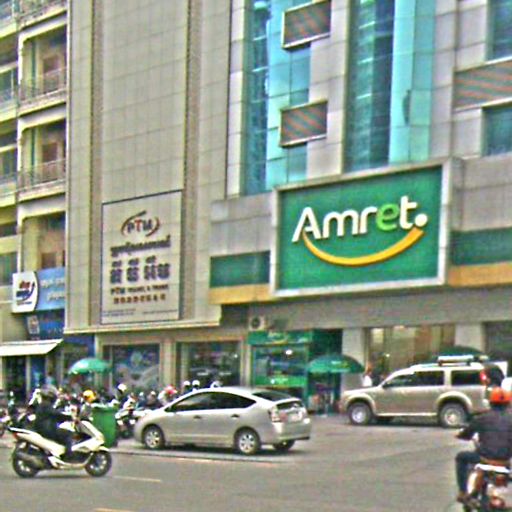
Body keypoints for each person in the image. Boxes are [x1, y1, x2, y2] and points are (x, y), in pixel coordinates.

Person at [455, 387, 512, 503]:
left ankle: (462, 492)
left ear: (490, 403)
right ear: (508, 404)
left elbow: (466, 434)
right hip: (505, 461)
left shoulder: (481, 418)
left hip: (485, 459)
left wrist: (460, 435)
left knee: (461, 457)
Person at [34, 386, 74, 460]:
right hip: (48, 430)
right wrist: (69, 417)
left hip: (44, 429)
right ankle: (68, 456)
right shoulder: (46, 405)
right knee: (68, 433)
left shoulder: (43, 404)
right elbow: (56, 414)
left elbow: (55, 415)